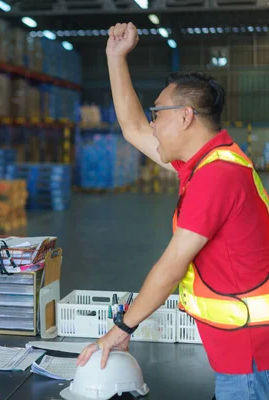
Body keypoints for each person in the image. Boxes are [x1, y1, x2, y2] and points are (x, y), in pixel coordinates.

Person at [76, 22, 269, 400]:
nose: (152, 123)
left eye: (158, 114)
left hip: (247, 354)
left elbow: (173, 263)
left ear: (184, 117)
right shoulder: (206, 163)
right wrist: (115, 58)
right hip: (240, 349)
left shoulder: (218, 175)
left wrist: (121, 328)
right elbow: (132, 128)